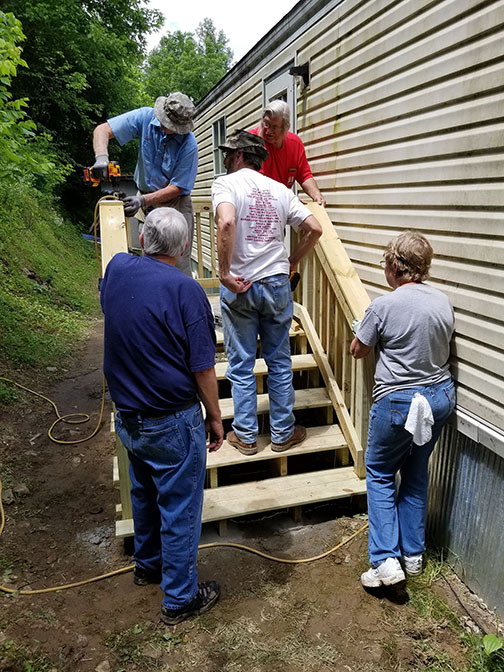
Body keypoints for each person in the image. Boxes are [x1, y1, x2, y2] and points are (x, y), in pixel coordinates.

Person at [100, 207, 224, 625]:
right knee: (179, 508)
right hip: (172, 420)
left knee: (145, 495)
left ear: (142, 236)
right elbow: (203, 368)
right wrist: (215, 416)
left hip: (130, 417)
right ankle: (179, 599)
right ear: (185, 246)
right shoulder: (185, 289)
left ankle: (147, 566)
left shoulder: (117, 268)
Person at [350, 231, 455, 588]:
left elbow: (358, 350)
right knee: (415, 470)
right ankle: (413, 555)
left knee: (379, 471)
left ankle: (385, 562)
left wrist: (362, 330)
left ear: (395, 266)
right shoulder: (443, 301)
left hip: (399, 401)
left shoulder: (383, 305)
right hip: (440, 396)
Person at [212, 129, 322, 455]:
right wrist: (291, 260)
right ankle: (282, 433)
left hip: (241, 284)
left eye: (229, 154)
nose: (226, 159)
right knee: (278, 361)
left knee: (242, 364)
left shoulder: (225, 183)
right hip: (276, 284)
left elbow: (227, 223)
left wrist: (223, 272)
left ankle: (245, 436)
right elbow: (313, 229)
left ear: (241, 156)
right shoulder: (280, 189)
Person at [92, 92, 198, 277]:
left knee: (177, 263)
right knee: (149, 258)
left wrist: (142, 200)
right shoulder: (144, 117)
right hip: (146, 200)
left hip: (175, 204)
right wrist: (101, 157)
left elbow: (178, 187)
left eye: (174, 128)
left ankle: (179, 303)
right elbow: (102, 130)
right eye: (167, 124)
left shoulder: (189, 144)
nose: (168, 130)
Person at [248, 100, 326, 206]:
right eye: (266, 124)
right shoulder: (251, 141)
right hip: (254, 207)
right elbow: (257, 183)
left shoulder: (295, 144)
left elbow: (304, 175)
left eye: (274, 127)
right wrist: (288, 198)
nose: (268, 131)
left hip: (280, 207)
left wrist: (317, 195)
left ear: (286, 128)